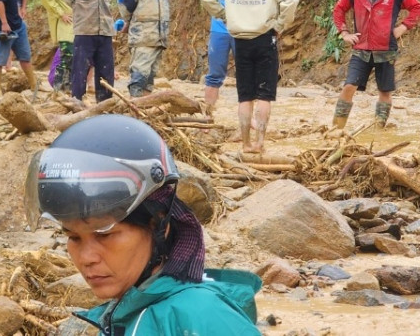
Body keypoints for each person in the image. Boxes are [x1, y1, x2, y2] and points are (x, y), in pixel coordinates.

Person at [26, 115, 261, 335]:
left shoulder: (201, 315)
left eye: (104, 234)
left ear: (160, 224)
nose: (87, 258)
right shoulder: (126, 312)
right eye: (74, 237)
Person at [199, 0, 298, 154]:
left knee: (245, 95)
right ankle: (259, 143)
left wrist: (224, 15)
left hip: (240, 40)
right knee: (264, 95)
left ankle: (245, 144)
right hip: (265, 39)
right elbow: (291, 1)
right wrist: (279, 24)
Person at [331, 0, 420, 129]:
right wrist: (344, 33)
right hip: (361, 48)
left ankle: (379, 129)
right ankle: (336, 129)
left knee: (384, 91)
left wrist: (403, 28)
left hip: (386, 49)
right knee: (349, 86)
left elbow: (417, 8)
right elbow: (339, 9)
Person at [65, 0, 117, 102]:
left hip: (105, 30)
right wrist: (83, 11)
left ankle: (105, 105)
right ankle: (77, 103)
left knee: (106, 70)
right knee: (80, 69)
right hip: (85, 29)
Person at [120, 0, 170, 98]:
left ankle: (146, 111)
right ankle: (135, 109)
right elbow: (127, 1)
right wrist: (128, 20)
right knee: (139, 75)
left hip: (158, 35)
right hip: (144, 33)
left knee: (149, 77)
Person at [203, 0, 246, 114]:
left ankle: (244, 118)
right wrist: (221, 14)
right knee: (214, 75)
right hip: (219, 30)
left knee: (245, 74)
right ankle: (208, 114)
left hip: (244, 30)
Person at [42, 0, 83, 92]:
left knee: (76, 60)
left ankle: (70, 90)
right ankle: (59, 91)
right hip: (68, 25)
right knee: (67, 59)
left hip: (80, 25)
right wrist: (60, 13)